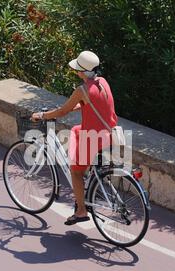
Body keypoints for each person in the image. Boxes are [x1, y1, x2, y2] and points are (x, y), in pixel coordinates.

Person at [31, 51, 118, 225]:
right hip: (109, 133)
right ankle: (87, 171)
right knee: (76, 130)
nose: (76, 72)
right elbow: (94, 103)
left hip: (93, 138)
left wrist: (42, 115)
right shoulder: (102, 82)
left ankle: (80, 211)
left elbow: (62, 112)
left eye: (77, 70)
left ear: (82, 72)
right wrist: (77, 107)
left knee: (76, 171)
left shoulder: (82, 90)